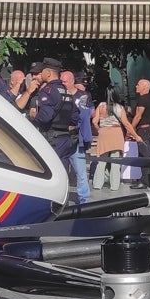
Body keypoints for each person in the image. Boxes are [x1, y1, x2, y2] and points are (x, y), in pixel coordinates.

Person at [30, 58, 79, 168]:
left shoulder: (47, 91)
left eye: (42, 70)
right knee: (62, 172)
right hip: (66, 139)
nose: (40, 73)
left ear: (48, 73)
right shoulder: (67, 92)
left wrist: (34, 116)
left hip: (51, 139)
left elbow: (45, 117)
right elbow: (75, 117)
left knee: (48, 172)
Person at [91, 93, 134, 191]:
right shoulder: (120, 108)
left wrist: (99, 129)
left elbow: (94, 121)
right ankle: (114, 185)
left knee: (102, 160)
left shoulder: (101, 106)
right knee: (115, 161)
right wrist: (135, 135)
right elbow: (126, 123)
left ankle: (97, 184)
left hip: (104, 133)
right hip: (116, 133)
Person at [63, 69, 93, 203]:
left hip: (77, 138)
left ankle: (84, 199)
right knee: (62, 172)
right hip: (62, 137)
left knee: (80, 171)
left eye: (64, 81)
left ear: (71, 81)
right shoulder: (61, 95)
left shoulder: (83, 96)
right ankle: (62, 197)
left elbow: (86, 116)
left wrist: (86, 138)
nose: (62, 84)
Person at [129, 77, 150, 189]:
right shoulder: (148, 99)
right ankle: (146, 179)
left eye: (138, 85)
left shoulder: (142, 99)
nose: (136, 86)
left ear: (144, 87)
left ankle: (145, 181)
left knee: (144, 155)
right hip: (147, 129)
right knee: (144, 154)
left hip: (144, 130)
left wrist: (130, 129)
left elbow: (138, 116)